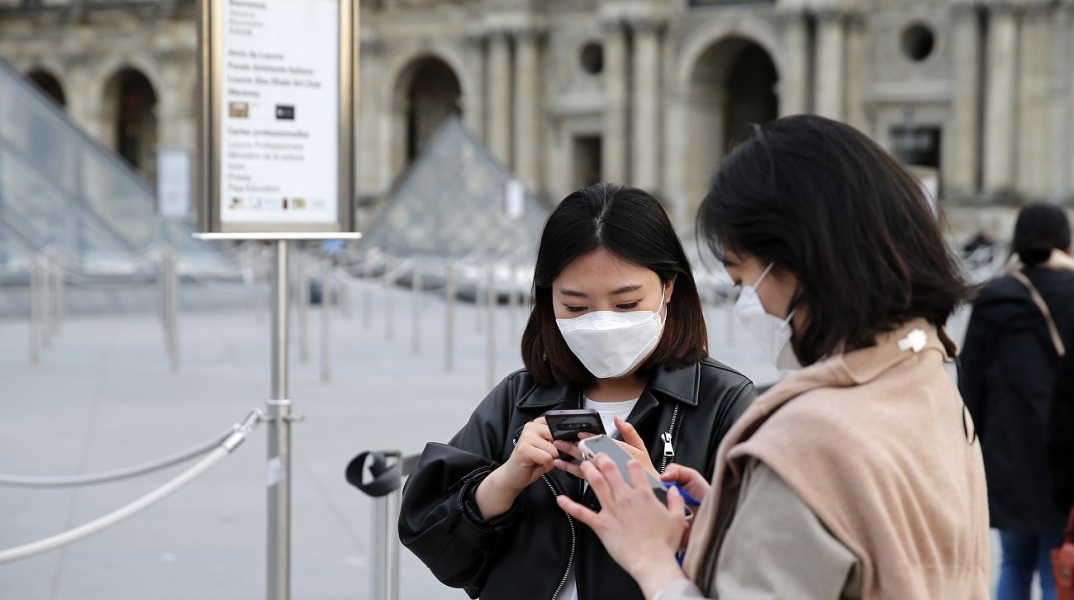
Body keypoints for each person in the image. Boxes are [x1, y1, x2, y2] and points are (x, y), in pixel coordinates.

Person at [557, 114, 990, 598]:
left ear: (801, 264)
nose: (747, 303)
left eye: (744, 280)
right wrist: (729, 524)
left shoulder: (808, 438)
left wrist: (652, 560)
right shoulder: (928, 373)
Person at [398, 182, 756, 600]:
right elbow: (437, 543)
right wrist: (503, 482)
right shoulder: (519, 397)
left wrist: (656, 493)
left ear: (668, 288)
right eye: (576, 306)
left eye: (625, 304)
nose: (602, 323)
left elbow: (759, 560)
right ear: (548, 299)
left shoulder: (723, 401)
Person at [961, 203, 1074, 600]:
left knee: (1013, 560)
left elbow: (969, 384)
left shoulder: (994, 297)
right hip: (1064, 457)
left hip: (1007, 452)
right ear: (1067, 245)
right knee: (1056, 563)